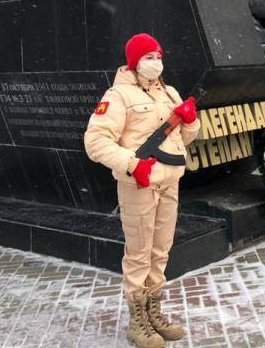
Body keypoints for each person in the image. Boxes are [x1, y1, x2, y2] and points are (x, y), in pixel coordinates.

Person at [84, 33, 201, 348]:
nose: (156, 62)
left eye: (159, 56)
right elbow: (95, 142)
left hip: (170, 180)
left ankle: (154, 315)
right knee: (138, 254)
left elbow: (184, 139)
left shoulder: (170, 92)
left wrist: (190, 121)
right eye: (149, 57)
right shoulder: (118, 96)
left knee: (160, 250)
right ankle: (137, 322)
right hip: (139, 184)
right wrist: (132, 164)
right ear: (135, 61)